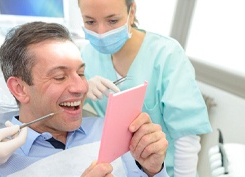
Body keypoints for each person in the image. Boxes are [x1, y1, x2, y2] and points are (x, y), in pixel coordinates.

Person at [0, 21, 169, 177]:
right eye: (60, 77)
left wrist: (153, 170)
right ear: (20, 89)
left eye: (81, 73)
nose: (81, 87)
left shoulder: (107, 130)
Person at [78, 0, 212, 176]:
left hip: (162, 170)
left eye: (112, 21)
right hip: (117, 167)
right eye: (90, 22)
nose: (101, 32)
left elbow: (186, 137)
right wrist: (83, 90)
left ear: (131, 12)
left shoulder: (166, 55)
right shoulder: (87, 55)